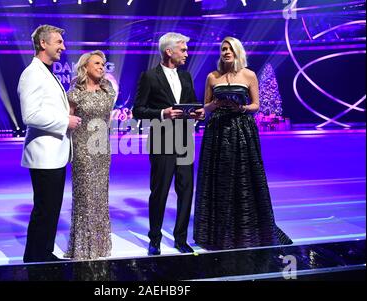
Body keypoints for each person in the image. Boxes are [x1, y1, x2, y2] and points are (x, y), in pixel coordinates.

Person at [193, 36, 293, 250]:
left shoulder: (249, 75)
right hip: (217, 131)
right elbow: (207, 106)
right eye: (223, 49)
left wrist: (241, 108)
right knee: (218, 179)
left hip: (241, 130)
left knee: (244, 177)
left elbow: (256, 105)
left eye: (229, 48)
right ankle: (218, 230)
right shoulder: (212, 76)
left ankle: (246, 227)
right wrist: (212, 106)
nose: (226, 52)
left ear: (238, 51)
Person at [133, 32, 205, 255]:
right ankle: (154, 239)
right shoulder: (150, 77)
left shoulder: (186, 77)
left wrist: (198, 113)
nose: (186, 54)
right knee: (160, 191)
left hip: (185, 140)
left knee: (186, 190)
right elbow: (138, 111)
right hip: (162, 140)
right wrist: (163, 113)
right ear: (169, 51)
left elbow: (192, 105)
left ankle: (180, 239)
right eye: (182, 50)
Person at [18, 25, 81, 263]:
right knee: (45, 208)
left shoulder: (46, 72)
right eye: (59, 42)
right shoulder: (32, 73)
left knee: (50, 208)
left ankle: (41, 255)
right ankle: (36, 259)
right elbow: (30, 115)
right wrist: (64, 121)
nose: (63, 47)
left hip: (53, 153)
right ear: (43, 44)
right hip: (44, 154)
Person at [63, 50, 116, 260]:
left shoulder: (107, 89)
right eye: (97, 63)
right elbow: (69, 119)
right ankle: (83, 246)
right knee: (85, 197)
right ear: (85, 67)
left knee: (101, 196)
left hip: (102, 149)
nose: (101, 67)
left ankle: (100, 245)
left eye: (103, 64)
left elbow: (108, 117)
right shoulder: (75, 91)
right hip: (83, 148)